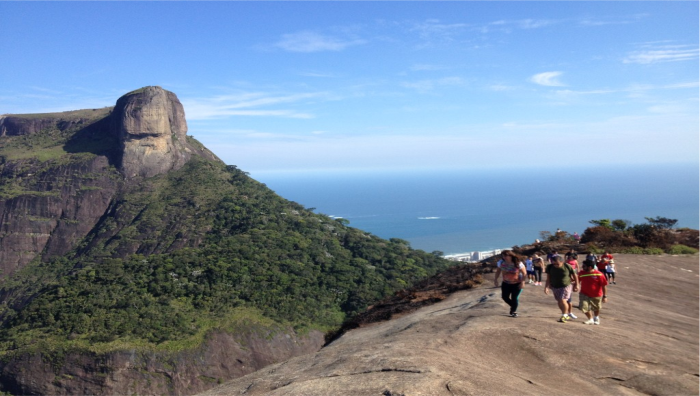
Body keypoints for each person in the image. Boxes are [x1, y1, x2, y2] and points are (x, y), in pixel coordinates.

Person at [544, 255, 579, 323]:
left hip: (566, 285)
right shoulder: (550, 267)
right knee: (559, 301)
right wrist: (546, 287)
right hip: (555, 286)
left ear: (562, 262)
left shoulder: (567, 266)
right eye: (554, 264)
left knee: (563, 300)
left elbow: (575, 275)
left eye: (558, 264)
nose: (556, 265)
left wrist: (577, 285)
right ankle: (564, 313)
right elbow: (548, 278)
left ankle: (564, 315)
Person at [493, 250, 527, 317]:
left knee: (514, 298)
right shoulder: (501, 262)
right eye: (503, 256)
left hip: (517, 283)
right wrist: (495, 279)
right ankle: (514, 305)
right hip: (506, 283)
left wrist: (523, 282)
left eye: (506, 256)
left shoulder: (518, 263)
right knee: (504, 297)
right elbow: (498, 271)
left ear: (511, 255)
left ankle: (514, 311)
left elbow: (524, 273)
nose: (504, 257)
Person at [578, 260, 608, 325]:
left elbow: (604, 286)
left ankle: (596, 317)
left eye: (584, 266)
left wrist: (605, 296)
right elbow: (577, 280)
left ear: (590, 267)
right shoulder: (581, 273)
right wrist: (575, 285)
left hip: (596, 294)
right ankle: (590, 319)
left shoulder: (599, 274)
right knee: (583, 306)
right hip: (584, 293)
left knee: (596, 307)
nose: (582, 267)